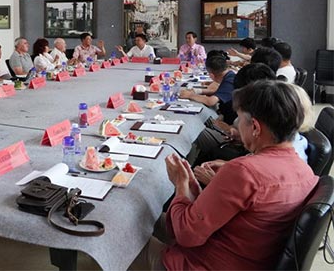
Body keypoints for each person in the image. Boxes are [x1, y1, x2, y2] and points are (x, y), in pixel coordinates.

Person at [131, 80, 319, 271]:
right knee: (146, 217)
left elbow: (186, 235)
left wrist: (180, 185)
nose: (238, 126)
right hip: (247, 255)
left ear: (255, 127)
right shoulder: (305, 171)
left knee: (122, 236)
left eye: (240, 120)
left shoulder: (244, 171)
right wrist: (194, 187)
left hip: (202, 263)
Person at [179, 55, 235, 119]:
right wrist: (197, 91)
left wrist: (190, 95)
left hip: (230, 118)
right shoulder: (230, 75)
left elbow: (211, 101)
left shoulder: (229, 81)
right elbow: (219, 92)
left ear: (211, 75)